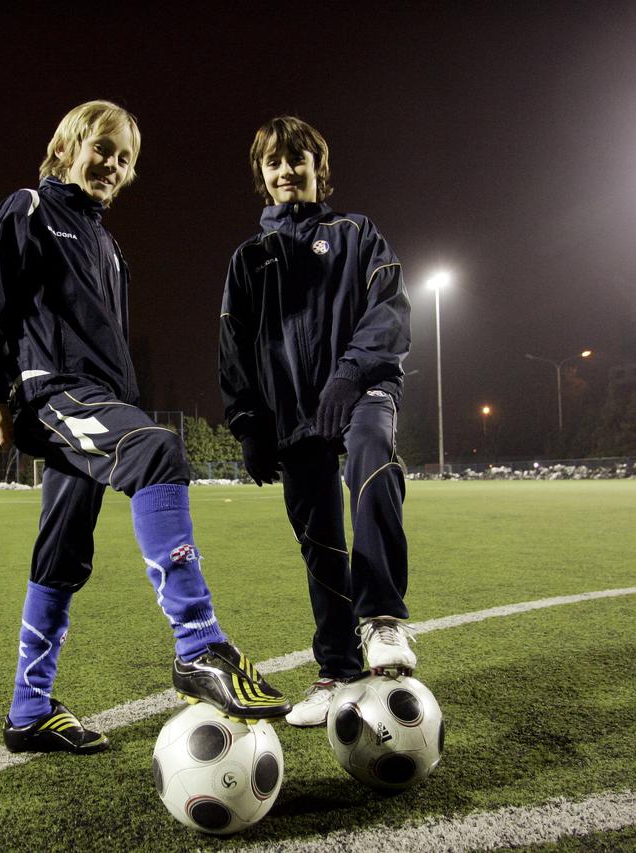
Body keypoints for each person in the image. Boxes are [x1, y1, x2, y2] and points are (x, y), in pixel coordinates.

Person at [0, 100, 289, 755]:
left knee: (62, 553)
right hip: (52, 392)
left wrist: (121, 402)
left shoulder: (107, 244)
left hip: (96, 401)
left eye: (125, 159)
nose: (112, 164)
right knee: (157, 450)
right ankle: (199, 645)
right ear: (67, 147)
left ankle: (29, 710)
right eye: (102, 148)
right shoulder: (29, 208)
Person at [218, 115, 415, 728]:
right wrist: (248, 423)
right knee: (320, 541)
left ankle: (382, 619)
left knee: (372, 453)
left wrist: (350, 374)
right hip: (293, 411)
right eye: (273, 162)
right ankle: (338, 670)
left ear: (317, 167)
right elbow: (234, 347)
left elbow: (391, 310)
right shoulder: (249, 259)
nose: (285, 170)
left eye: (296, 158)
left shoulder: (357, 234)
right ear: (261, 174)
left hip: (360, 388)